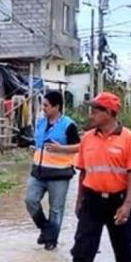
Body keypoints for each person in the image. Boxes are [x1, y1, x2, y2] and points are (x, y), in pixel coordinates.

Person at [71, 92, 131, 262]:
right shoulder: (87, 138)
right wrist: (79, 200)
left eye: (96, 110)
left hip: (119, 202)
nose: (91, 113)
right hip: (92, 201)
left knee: (124, 250)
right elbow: (83, 172)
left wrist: (127, 205)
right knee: (82, 247)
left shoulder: (130, 139)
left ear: (110, 113)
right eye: (92, 109)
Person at [25, 91, 80, 251]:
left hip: (59, 174)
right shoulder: (41, 123)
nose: (43, 108)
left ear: (57, 107)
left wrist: (61, 149)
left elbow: (80, 146)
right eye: (43, 105)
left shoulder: (69, 125)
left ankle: (51, 242)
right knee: (30, 201)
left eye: (46, 105)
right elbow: (39, 143)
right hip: (38, 171)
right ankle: (45, 229)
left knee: (56, 209)